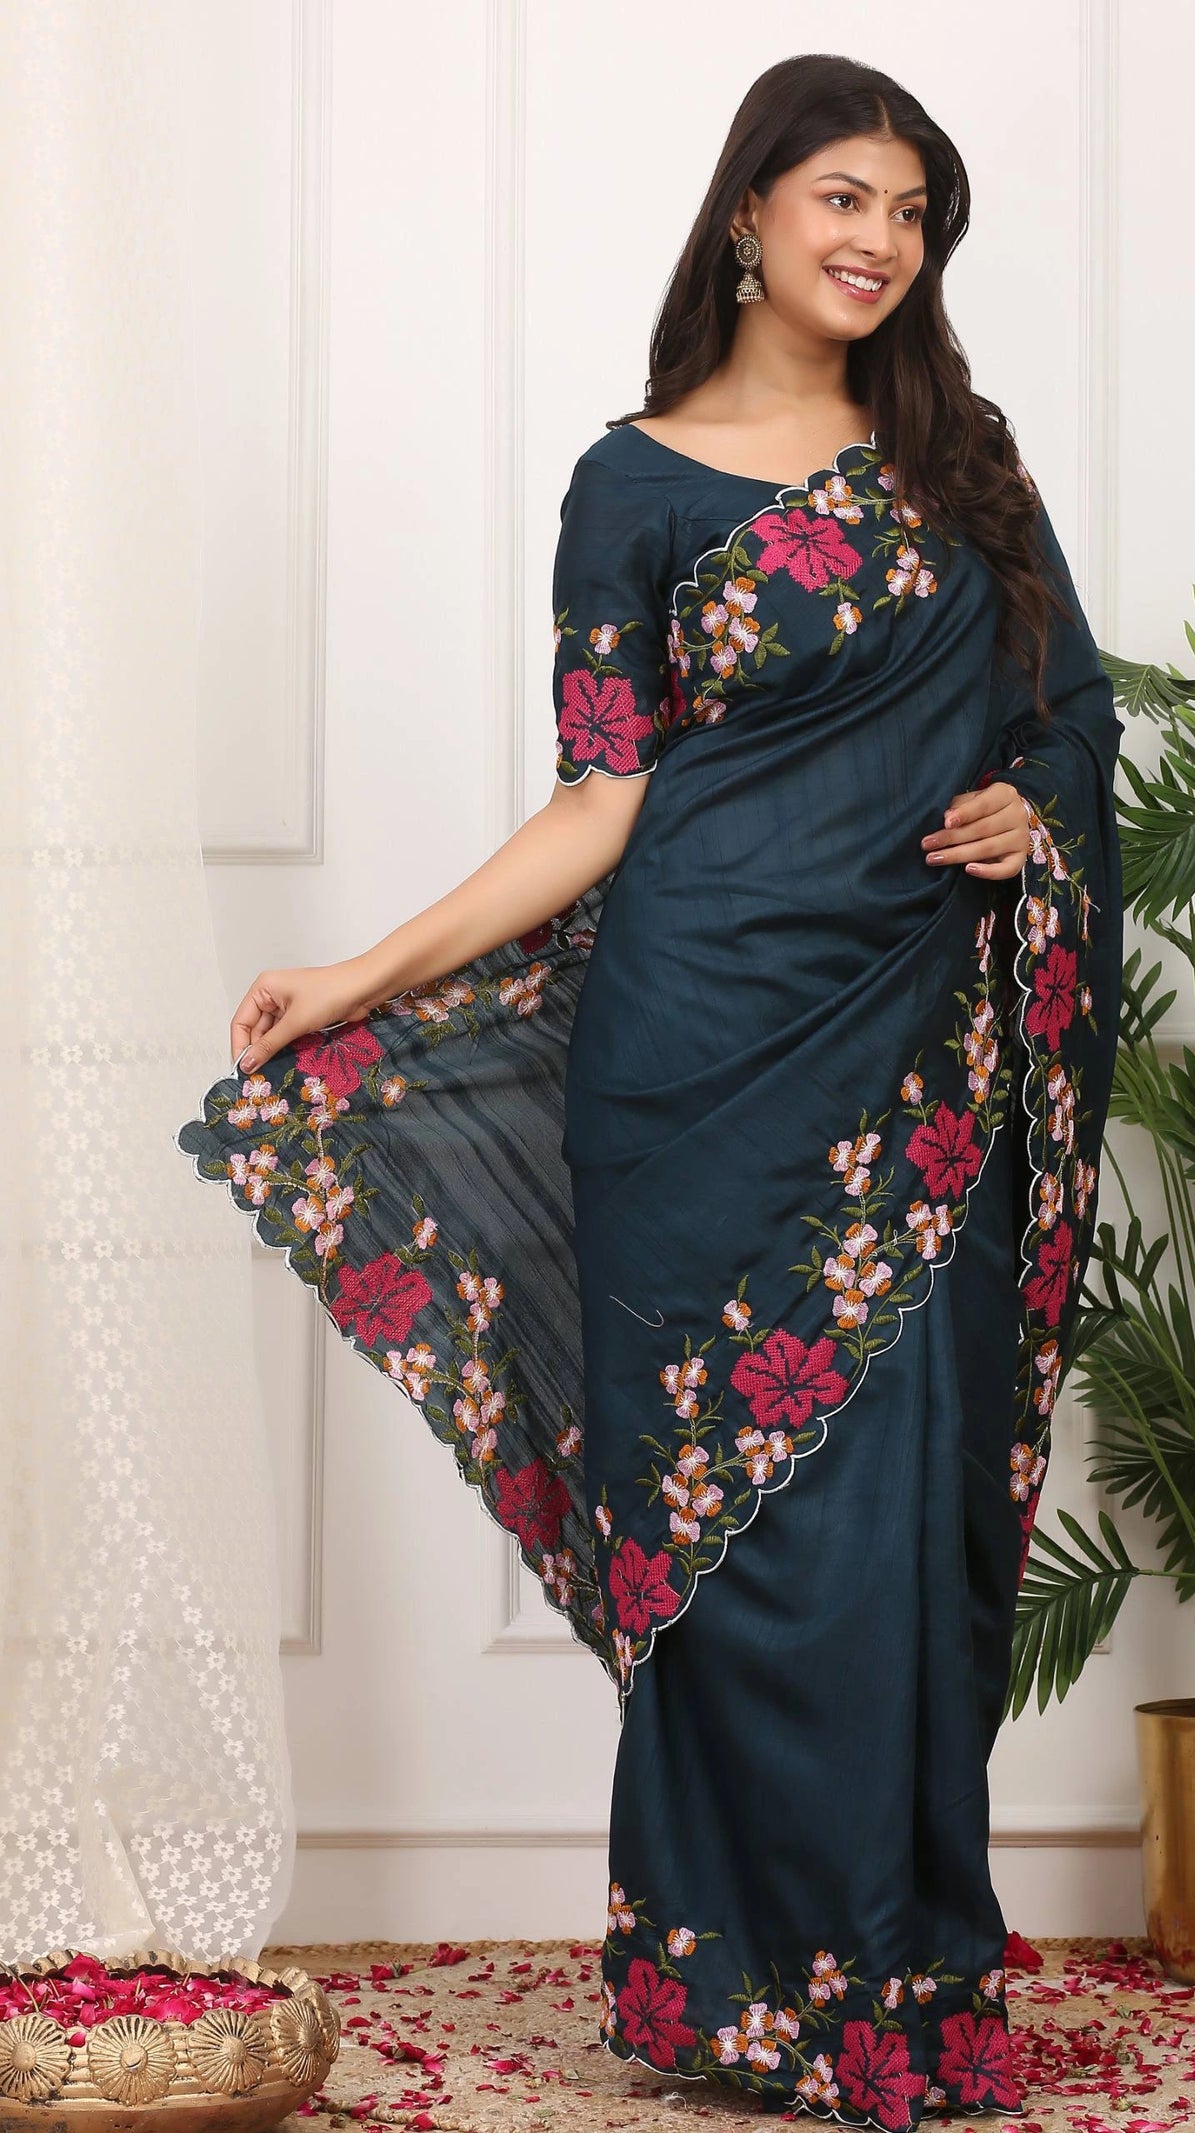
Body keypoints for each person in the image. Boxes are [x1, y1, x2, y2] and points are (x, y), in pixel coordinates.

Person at [176, 51, 1123, 2133]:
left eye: (911, 212)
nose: (877, 241)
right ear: (748, 215)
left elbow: (1077, 714)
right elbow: (600, 797)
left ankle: (895, 1992)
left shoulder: (956, 459)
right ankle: (734, 1996)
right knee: (732, 1522)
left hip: (914, 1059)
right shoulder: (634, 486)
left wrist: (1022, 806)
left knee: (896, 1517)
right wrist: (352, 968)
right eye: (842, 198)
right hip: (691, 1052)